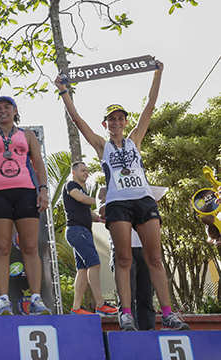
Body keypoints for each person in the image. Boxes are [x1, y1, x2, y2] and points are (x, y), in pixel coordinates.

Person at [55, 60, 189, 331]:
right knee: (124, 258)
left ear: (125, 122)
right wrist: (64, 92)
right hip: (117, 203)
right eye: (111, 119)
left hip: (143, 199)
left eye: (120, 118)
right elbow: (78, 121)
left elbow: (150, 107)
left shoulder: (135, 140)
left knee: (154, 258)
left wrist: (158, 73)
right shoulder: (101, 146)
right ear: (105, 123)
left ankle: (169, 314)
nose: (116, 123)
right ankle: (125, 313)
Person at [0, 96, 51, 315]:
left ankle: (36, 299)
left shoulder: (27, 134)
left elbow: (38, 164)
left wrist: (43, 189)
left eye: (7, 107)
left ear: (15, 110)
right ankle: (4, 301)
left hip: (26, 192)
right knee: (1, 248)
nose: (3, 111)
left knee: (30, 246)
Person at [63, 162, 117, 316]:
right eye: (82, 170)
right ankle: (100, 305)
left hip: (81, 231)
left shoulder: (82, 190)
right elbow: (80, 198)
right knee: (95, 265)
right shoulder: (71, 185)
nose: (86, 173)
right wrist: (103, 202)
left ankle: (76, 308)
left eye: (87, 171)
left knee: (83, 269)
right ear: (74, 172)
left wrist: (100, 219)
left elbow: (88, 214)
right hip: (77, 231)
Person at [99, 187, 156, 330]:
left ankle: (148, 333)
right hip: (122, 251)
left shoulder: (143, 188)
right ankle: (129, 332)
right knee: (126, 298)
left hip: (144, 248)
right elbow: (102, 213)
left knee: (147, 296)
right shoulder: (105, 189)